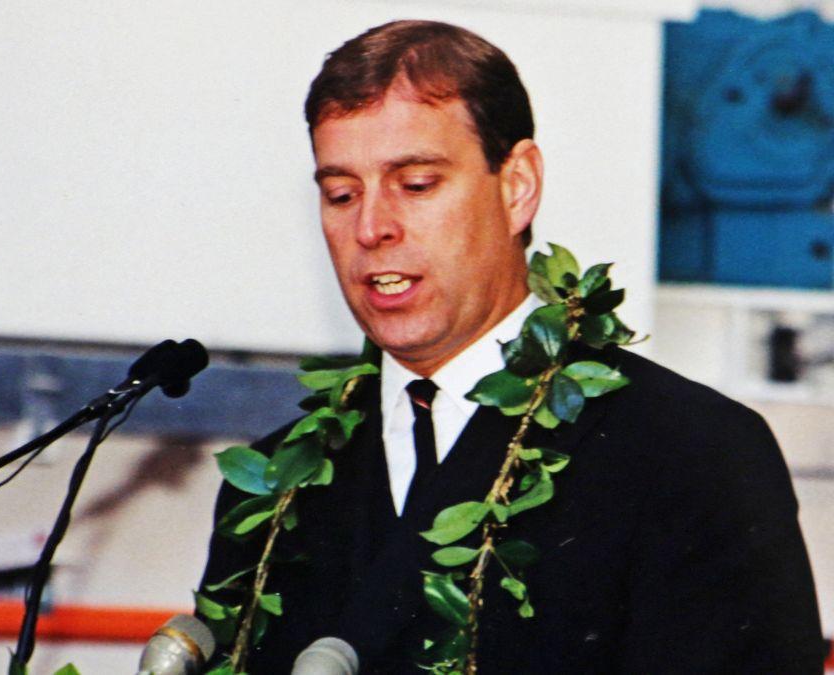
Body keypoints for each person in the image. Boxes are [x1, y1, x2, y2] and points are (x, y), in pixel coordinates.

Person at [199, 19, 825, 674]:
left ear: (517, 185)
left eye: (415, 185)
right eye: (341, 193)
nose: (371, 227)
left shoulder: (690, 454)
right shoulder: (275, 488)